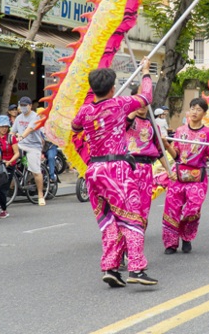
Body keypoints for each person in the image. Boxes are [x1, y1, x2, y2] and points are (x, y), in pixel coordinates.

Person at [72, 58, 158, 287]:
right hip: (116, 169)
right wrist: (146, 72)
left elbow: (75, 128)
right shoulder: (119, 104)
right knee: (133, 220)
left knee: (109, 221)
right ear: (112, 88)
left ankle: (110, 267)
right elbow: (146, 97)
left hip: (94, 170)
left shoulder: (85, 111)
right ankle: (137, 269)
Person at [162, 97, 209, 254]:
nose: (194, 112)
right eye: (192, 108)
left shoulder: (208, 133)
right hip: (179, 175)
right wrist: (167, 145)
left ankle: (186, 237)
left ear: (204, 113)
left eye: (199, 109)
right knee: (172, 209)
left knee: (193, 209)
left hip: (197, 177)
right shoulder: (180, 131)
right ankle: (170, 243)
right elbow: (176, 155)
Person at [127, 88, 175, 231]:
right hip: (127, 168)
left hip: (146, 170)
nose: (141, 105)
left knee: (143, 205)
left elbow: (160, 151)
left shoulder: (153, 125)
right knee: (127, 204)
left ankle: (138, 233)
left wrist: (168, 170)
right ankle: (126, 235)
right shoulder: (125, 121)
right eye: (138, 100)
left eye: (144, 101)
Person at [12, 97, 46, 206]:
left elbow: (30, 129)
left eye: (25, 105)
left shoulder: (35, 117)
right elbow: (12, 132)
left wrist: (21, 136)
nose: (23, 107)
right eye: (21, 105)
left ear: (30, 106)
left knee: (36, 171)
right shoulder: (18, 118)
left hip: (33, 146)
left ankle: (40, 195)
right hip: (20, 145)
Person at [0, 115, 19, 219]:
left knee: (3, 188)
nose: (4, 129)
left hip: (8, 166)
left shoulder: (11, 138)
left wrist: (9, 161)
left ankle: (3, 209)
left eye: (5, 126)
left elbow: (17, 153)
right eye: (2, 126)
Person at [36, 107, 58, 184]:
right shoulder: (36, 125)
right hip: (39, 147)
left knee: (51, 157)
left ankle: (52, 176)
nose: (41, 117)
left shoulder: (50, 124)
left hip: (50, 146)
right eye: (40, 115)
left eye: (43, 115)